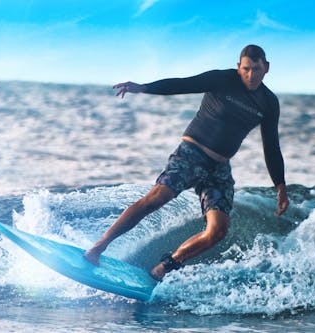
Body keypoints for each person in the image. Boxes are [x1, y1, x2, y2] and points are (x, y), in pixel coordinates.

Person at [84, 44, 289, 281]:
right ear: (238, 67)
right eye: (245, 69)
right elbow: (182, 84)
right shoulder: (222, 79)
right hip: (191, 153)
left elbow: (271, 146)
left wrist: (280, 187)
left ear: (267, 68)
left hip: (219, 169)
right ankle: (99, 247)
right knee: (156, 198)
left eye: (256, 69)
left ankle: (164, 267)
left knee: (217, 231)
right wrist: (143, 88)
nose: (250, 75)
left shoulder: (268, 102)